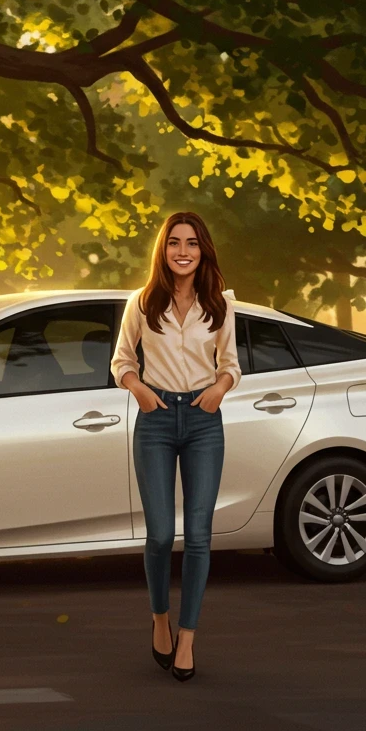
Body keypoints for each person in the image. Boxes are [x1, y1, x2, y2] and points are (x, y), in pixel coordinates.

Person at [110, 211, 242, 683]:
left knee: (200, 536)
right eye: (174, 243)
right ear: (162, 251)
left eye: (191, 243)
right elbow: (121, 360)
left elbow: (231, 363)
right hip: (157, 421)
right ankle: (160, 617)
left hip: (205, 422)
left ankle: (187, 637)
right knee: (162, 535)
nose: (182, 251)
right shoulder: (141, 304)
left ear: (203, 249)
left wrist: (220, 388)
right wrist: (142, 392)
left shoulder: (221, 305)